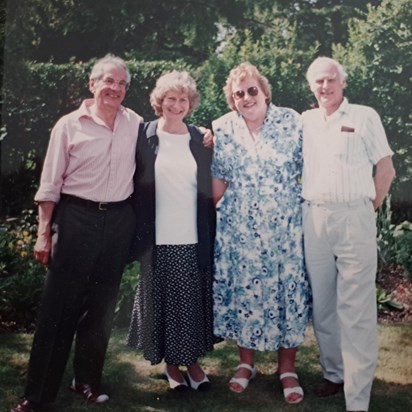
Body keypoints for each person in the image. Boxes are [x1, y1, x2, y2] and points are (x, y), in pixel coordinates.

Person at [9, 55, 144, 412]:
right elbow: (49, 185)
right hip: (75, 220)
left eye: (121, 84)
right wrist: (42, 233)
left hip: (117, 223)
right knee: (58, 310)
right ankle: (38, 395)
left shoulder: (136, 123)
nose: (114, 89)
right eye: (108, 81)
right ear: (92, 84)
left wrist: (204, 137)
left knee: (99, 311)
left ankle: (86, 380)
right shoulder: (68, 126)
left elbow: (173, 138)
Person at [211, 62, 311, 404]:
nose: (246, 97)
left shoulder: (292, 122)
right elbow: (218, 181)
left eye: (252, 90)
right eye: (238, 94)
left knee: (288, 293)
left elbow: (312, 167)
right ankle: (246, 364)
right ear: (232, 101)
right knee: (245, 292)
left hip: (284, 227)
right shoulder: (223, 128)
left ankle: (287, 368)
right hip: (240, 229)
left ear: (265, 92)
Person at [301, 56, 396, 412]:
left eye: (330, 80)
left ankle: (358, 397)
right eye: (318, 82)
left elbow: (386, 170)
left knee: (355, 308)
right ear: (311, 86)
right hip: (315, 218)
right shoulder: (305, 121)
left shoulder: (364, 116)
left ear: (342, 82)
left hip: (354, 216)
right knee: (323, 305)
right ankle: (334, 374)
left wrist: (366, 211)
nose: (324, 87)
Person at [127, 70, 216, 392]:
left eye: (183, 100)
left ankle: (191, 361)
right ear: (159, 101)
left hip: (192, 232)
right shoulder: (144, 135)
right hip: (156, 235)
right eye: (170, 99)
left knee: (190, 299)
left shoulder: (199, 138)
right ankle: (173, 366)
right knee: (164, 300)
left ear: (190, 104)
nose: (176, 105)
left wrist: (211, 133)